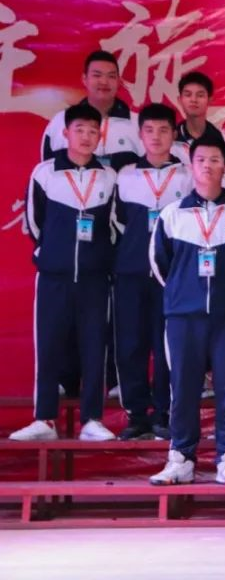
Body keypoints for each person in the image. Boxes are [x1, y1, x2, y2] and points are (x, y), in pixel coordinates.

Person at [148, 136, 225, 485]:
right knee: (183, 387)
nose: (208, 166)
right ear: (191, 166)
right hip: (183, 317)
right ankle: (181, 458)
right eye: (201, 160)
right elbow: (159, 264)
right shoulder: (172, 214)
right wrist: (183, 294)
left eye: (215, 160)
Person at [12, 104, 119, 442]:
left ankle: (92, 419)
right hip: (54, 277)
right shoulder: (45, 173)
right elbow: (34, 222)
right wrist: (51, 254)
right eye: (79, 130)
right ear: (66, 133)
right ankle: (44, 419)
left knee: (95, 347)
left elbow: (114, 225)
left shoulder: (109, 177)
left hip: (94, 278)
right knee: (49, 345)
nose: (86, 136)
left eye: (92, 131)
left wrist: (100, 259)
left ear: (100, 136)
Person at [111, 103, 192, 441]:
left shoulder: (188, 175)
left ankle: (163, 412)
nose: (156, 137)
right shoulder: (125, 176)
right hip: (131, 273)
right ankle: (136, 414)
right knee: (130, 344)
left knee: (167, 346)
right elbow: (117, 223)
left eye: (163, 130)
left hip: (171, 277)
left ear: (174, 135)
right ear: (140, 134)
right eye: (149, 130)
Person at [40, 50, 140, 168]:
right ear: (84, 79)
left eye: (111, 76)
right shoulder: (61, 121)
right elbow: (46, 170)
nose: (104, 82)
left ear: (118, 81)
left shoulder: (138, 124)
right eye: (97, 75)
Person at [174, 71, 225, 162]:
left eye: (200, 95)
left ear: (210, 100)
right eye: (188, 95)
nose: (193, 100)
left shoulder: (224, 140)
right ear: (180, 100)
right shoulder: (171, 140)